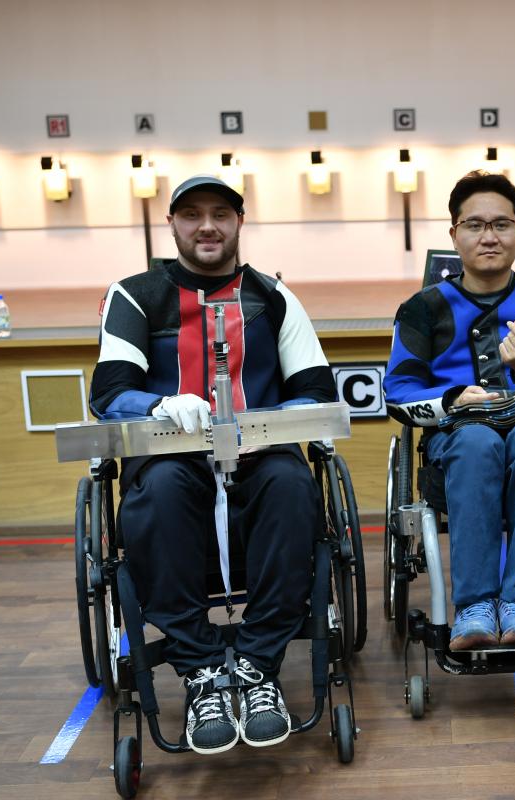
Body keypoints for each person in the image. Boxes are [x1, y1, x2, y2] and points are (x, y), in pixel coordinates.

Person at [89, 175, 337, 754]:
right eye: (192, 214)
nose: (207, 225)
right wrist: (158, 404)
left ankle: (256, 665)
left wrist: (268, 426)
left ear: (239, 223)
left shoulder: (274, 297)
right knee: (164, 489)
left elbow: (315, 391)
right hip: (170, 459)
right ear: (171, 224)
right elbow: (108, 392)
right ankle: (201, 671)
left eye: (221, 214)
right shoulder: (133, 295)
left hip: (259, 454)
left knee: (290, 483)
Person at [385, 171, 515, 650]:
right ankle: (475, 606)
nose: (489, 236)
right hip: (458, 436)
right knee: (478, 441)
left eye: (501, 224)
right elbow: (397, 394)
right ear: (454, 234)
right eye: (475, 225)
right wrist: (451, 399)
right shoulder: (421, 309)